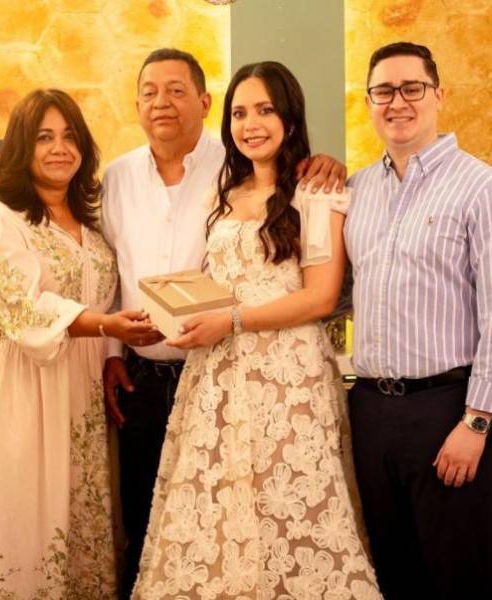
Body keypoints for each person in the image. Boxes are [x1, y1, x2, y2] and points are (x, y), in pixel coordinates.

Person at [101, 48, 348, 598]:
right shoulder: (225, 190)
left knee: (288, 510)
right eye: (240, 114)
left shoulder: (312, 188)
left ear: (290, 116)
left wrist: (229, 321)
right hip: (212, 374)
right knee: (215, 515)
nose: (251, 124)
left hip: (287, 376)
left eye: (264, 111)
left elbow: (321, 296)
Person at [345, 42, 492, 599]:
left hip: (448, 408)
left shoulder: (483, 189)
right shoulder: (356, 190)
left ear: (438, 95)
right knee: (391, 570)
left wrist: (477, 423)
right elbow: (338, 294)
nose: (397, 102)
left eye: (412, 89)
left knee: (456, 573)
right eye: (383, 91)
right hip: (370, 406)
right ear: (369, 101)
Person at [0, 89, 160, 599]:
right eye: (44, 137)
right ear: (22, 147)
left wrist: (114, 349)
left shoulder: (91, 225)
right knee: (30, 516)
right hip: (27, 387)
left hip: (84, 388)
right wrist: (106, 326)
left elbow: (114, 291)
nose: (59, 148)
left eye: (69, 136)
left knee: (84, 517)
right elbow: (25, 305)